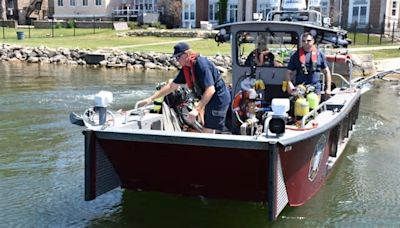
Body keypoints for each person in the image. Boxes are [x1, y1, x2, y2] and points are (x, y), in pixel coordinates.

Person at [136, 42, 231, 132]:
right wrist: (151, 99)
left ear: (186, 54)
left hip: (218, 97)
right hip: (208, 98)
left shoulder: (201, 64)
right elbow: (171, 86)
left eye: (178, 57)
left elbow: (210, 90)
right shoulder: (187, 67)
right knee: (206, 125)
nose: (176, 60)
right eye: (175, 58)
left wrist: (196, 110)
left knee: (209, 128)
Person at [285, 32, 331, 96]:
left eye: (308, 41)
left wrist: (328, 88)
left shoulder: (320, 55)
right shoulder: (295, 55)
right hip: (300, 88)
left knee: (314, 103)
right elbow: (288, 72)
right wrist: (290, 84)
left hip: (315, 88)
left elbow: (326, 72)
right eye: (304, 41)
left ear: (313, 41)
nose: (306, 43)